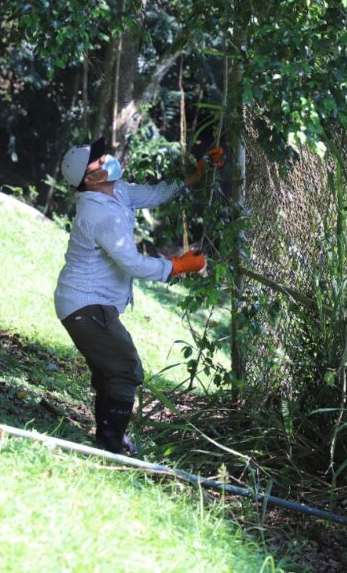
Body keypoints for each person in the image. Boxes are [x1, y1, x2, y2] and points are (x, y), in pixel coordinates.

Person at [53, 137, 223, 455]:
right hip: (84, 305)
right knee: (126, 368)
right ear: (89, 179)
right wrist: (178, 265)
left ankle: (108, 437)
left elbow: (155, 193)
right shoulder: (99, 214)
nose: (106, 159)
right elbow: (132, 262)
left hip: (88, 304)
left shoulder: (115, 191)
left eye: (103, 154)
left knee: (110, 369)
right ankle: (111, 441)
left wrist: (195, 176)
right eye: (98, 161)